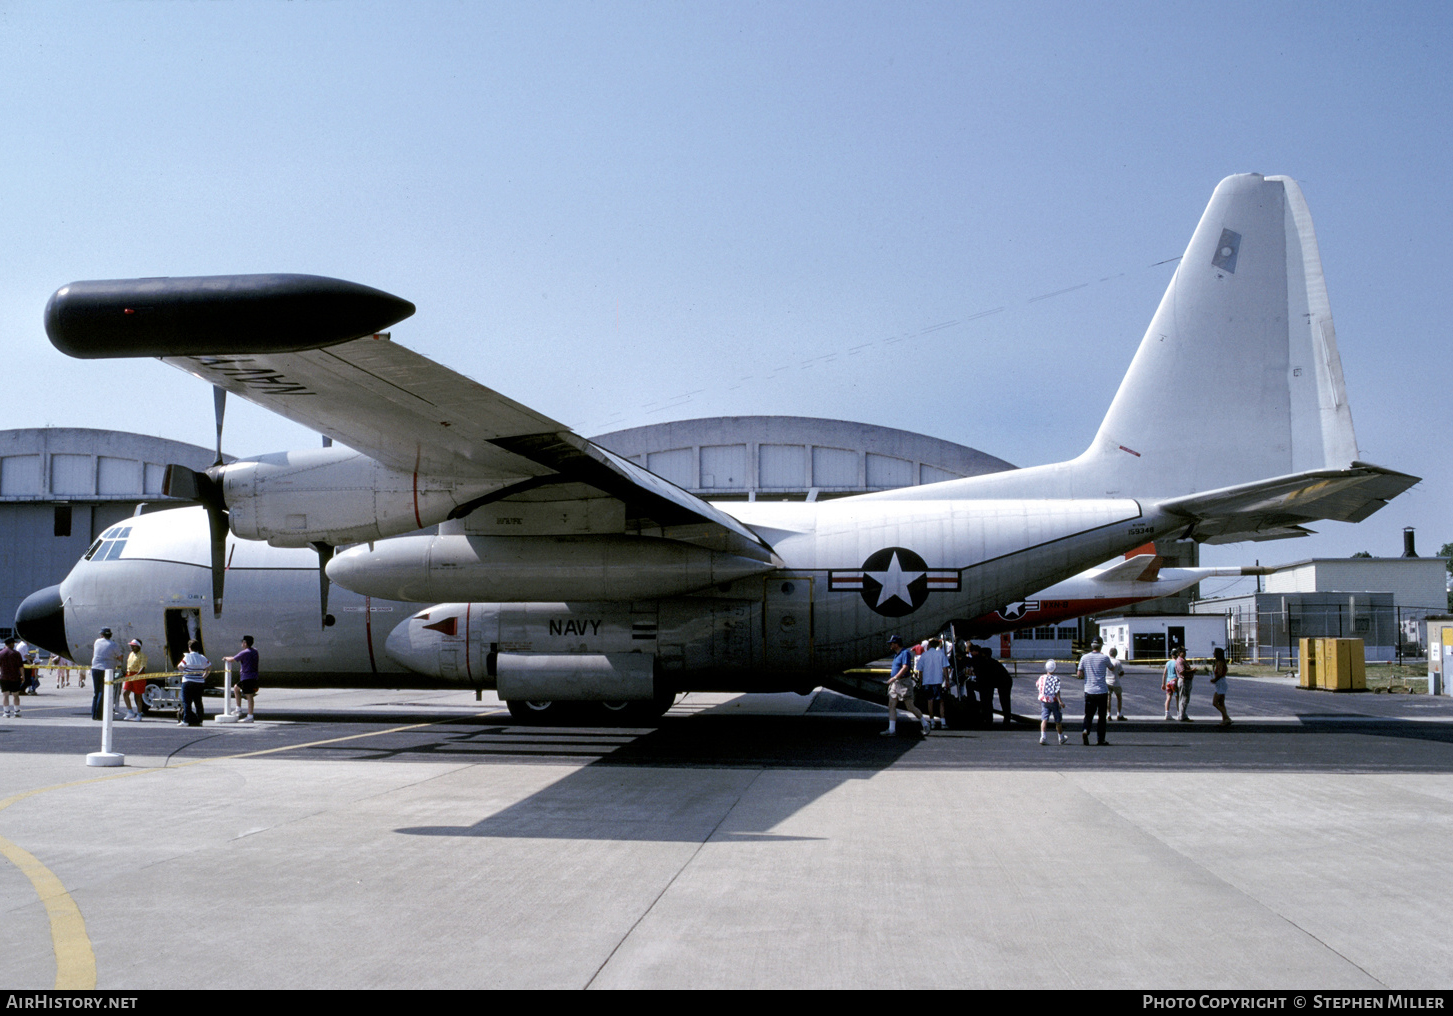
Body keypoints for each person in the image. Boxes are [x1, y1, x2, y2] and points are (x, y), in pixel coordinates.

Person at [882, 635, 929, 736]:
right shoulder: (897, 654)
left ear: (896, 644)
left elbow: (905, 667)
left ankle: (925, 723)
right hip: (896, 683)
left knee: (910, 706)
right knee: (891, 705)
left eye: (892, 643)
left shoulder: (905, 653)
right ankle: (891, 729)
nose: (890, 645)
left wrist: (894, 677)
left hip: (904, 683)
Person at [1076, 638, 1111, 745]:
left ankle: (1086, 729)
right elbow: (1112, 668)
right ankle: (1100, 739)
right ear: (1101, 646)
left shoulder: (1084, 657)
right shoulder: (1104, 658)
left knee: (1088, 714)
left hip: (1089, 690)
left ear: (1091, 646)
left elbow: (1079, 674)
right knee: (1101, 716)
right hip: (1101, 690)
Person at [973, 644, 1014, 726]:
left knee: (1002, 700)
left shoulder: (986, 662)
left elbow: (986, 678)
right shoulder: (991, 662)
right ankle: (1002, 719)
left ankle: (998, 719)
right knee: (999, 700)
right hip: (996, 681)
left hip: (1002, 682)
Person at [91, 627, 126, 721]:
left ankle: (94, 714)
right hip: (106, 670)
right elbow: (120, 656)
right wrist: (117, 661)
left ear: (102, 635)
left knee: (96, 691)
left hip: (95, 668)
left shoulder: (97, 642)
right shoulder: (113, 644)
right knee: (103, 692)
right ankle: (100, 714)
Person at [225, 635, 260, 723]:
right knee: (236, 687)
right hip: (252, 676)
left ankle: (250, 716)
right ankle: (238, 708)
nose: (242, 643)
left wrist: (225, 658)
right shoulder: (254, 651)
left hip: (247, 677)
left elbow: (232, 659)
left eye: (243, 642)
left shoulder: (245, 652)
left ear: (245, 643)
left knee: (249, 696)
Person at [917, 636, 949, 729]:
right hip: (938, 680)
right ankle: (943, 722)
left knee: (930, 701)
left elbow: (920, 670)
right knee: (940, 702)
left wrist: (920, 682)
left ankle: (932, 721)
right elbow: (945, 668)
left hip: (927, 681)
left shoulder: (924, 655)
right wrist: (947, 680)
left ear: (929, 645)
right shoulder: (941, 654)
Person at [177, 640, 210, 727]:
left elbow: (180, 666)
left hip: (187, 681)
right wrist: (204, 676)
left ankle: (186, 721)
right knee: (198, 702)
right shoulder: (202, 657)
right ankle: (200, 721)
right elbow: (209, 667)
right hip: (199, 682)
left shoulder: (187, 657)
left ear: (189, 648)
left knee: (187, 702)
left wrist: (183, 671)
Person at [1036, 659, 1066, 745]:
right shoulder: (1056, 679)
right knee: (1057, 720)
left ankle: (1043, 737)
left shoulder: (1041, 677)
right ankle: (1061, 737)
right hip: (1054, 701)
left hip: (1044, 701)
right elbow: (1057, 691)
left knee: (1044, 719)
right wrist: (1060, 702)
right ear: (1054, 669)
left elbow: (1037, 685)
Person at [120, 639, 148, 721]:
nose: (131, 647)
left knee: (138, 695)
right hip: (129, 674)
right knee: (125, 693)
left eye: (133, 646)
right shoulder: (131, 654)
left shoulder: (143, 656)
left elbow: (142, 666)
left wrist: (138, 674)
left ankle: (139, 714)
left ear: (138, 646)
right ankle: (130, 712)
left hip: (138, 675)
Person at [1, 637, 24, 718]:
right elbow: (20, 666)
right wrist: (23, 676)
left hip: (4, 677)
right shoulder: (16, 654)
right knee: (16, 695)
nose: (14, 645)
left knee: (5, 695)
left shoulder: (1, 653)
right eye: (13, 643)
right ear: (10, 643)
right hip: (15, 677)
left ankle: (6, 712)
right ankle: (16, 711)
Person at [1209, 647, 1231, 727]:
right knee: (1221, 703)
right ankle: (1224, 720)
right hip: (1221, 682)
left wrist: (1214, 680)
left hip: (1220, 683)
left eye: (1214, 652)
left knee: (1215, 702)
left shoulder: (1220, 662)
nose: (1213, 654)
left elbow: (1220, 673)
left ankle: (1227, 717)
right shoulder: (1221, 662)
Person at [1106, 646, 1127, 721]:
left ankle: (1109, 714)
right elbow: (1121, 672)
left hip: (1107, 681)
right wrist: (1119, 676)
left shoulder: (1106, 661)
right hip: (1115, 681)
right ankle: (1119, 714)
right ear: (1116, 654)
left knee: (1108, 699)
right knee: (1119, 698)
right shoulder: (1117, 662)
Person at [1176, 649, 1196, 722]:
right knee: (1184, 698)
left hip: (1188, 680)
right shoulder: (1180, 661)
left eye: (1185, 652)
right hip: (1184, 681)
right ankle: (1182, 715)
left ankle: (1183, 714)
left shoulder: (1183, 660)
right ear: (1179, 653)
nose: (1185, 653)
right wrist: (1192, 671)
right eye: (1183, 652)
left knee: (1185, 698)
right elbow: (1182, 672)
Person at [1162, 650, 1180, 720]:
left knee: (1168, 698)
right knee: (1177, 698)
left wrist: (1163, 684)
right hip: (1175, 680)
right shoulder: (1177, 662)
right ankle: (1179, 713)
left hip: (1168, 681)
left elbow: (1164, 674)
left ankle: (1167, 713)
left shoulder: (1168, 662)